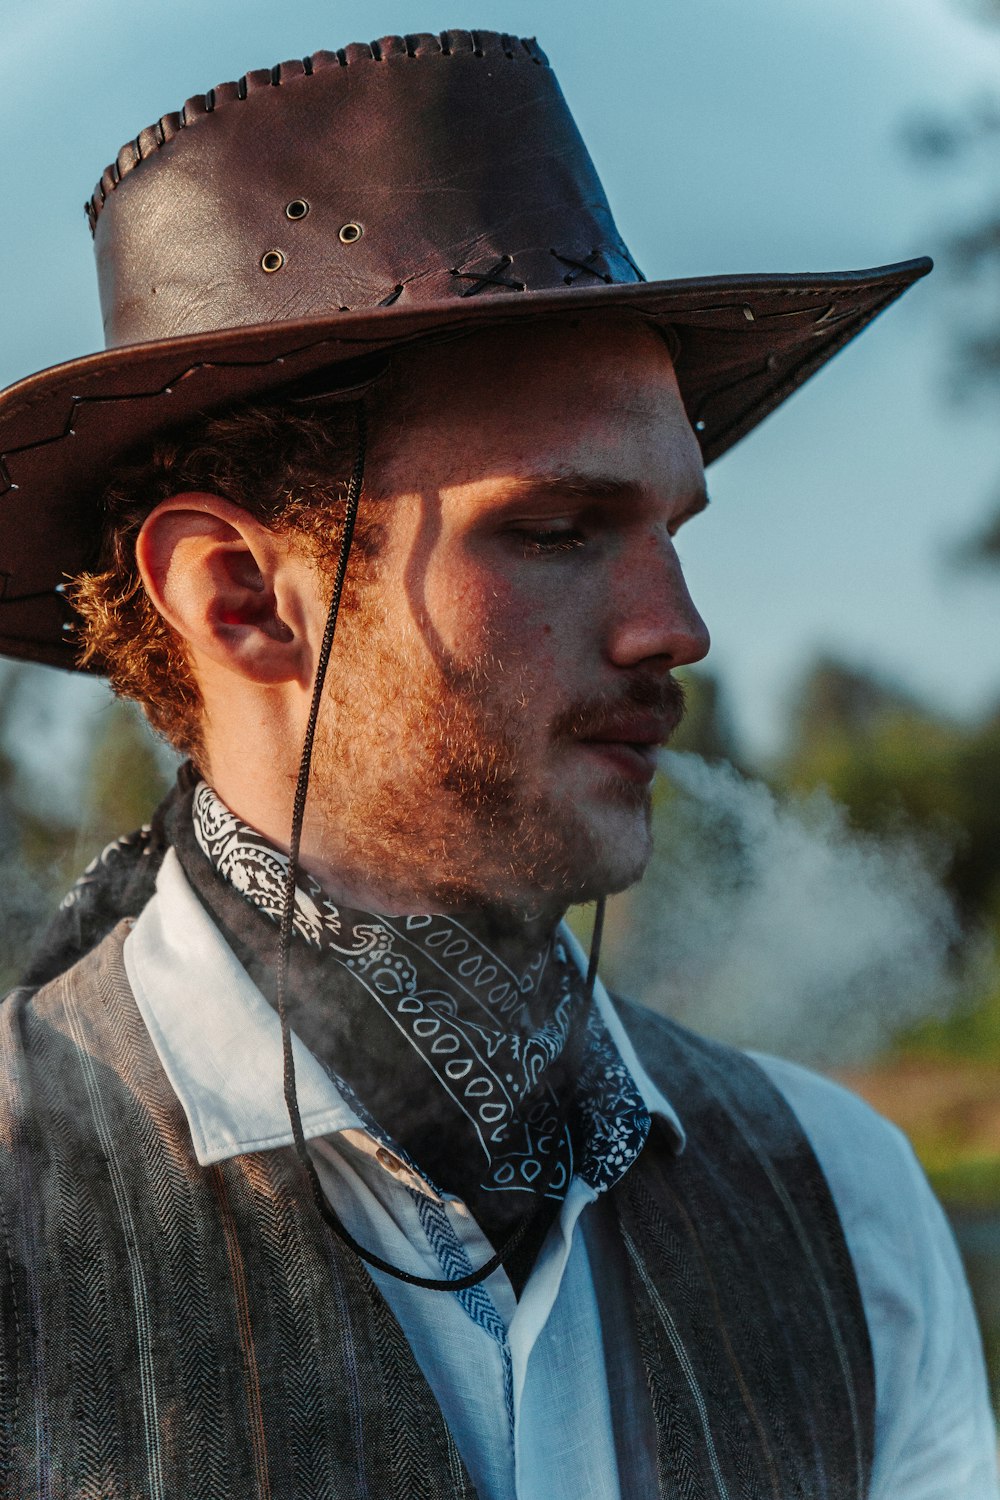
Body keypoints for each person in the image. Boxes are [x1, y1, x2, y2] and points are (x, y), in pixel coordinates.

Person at [0, 28, 994, 1500]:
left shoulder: (848, 1212)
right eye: (556, 529)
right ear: (238, 599)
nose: (678, 629)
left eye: (672, 531)